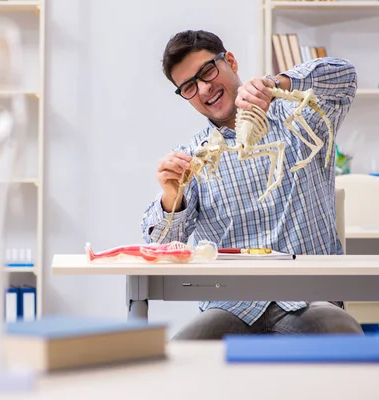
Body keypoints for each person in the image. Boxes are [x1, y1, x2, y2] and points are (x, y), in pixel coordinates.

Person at [140, 29, 363, 339]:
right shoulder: (195, 157)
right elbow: (158, 250)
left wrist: (277, 83)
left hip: (309, 297)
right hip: (231, 305)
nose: (204, 89)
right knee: (182, 354)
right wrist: (170, 197)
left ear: (230, 61)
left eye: (207, 71)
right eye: (189, 87)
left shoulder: (297, 115)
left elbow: (346, 75)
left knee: (343, 339)